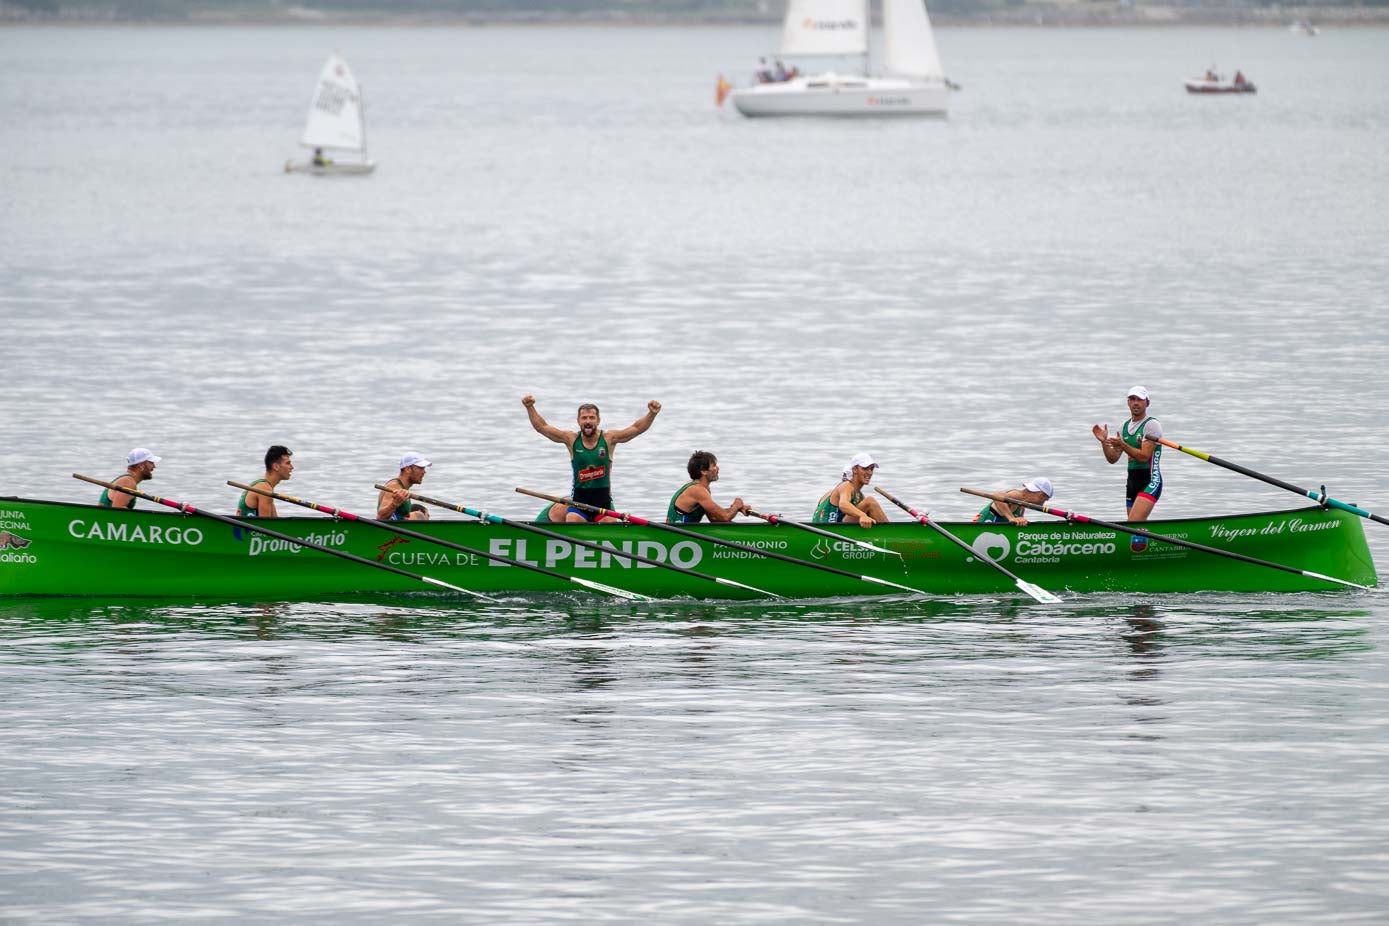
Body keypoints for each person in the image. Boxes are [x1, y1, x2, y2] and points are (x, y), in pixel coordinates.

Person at [522, 395, 661, 523]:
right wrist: (530, 407)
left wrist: (652, 414)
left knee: (610, 522)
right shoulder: (570, 439)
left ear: (598, 420)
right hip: (578, 504)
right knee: (572, 519)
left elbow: (636, 429)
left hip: (604, 504)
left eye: (591, 417)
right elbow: (542, 427)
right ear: (578, 421)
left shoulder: (609, 439)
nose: (588, 421)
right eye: (584, 418)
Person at [1093, 386, 1163, 522]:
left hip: (1150, 480)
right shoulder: (1123, 427)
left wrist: (1123, 445)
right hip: (1132, 481)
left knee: (1133, 524)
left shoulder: (1151, 425)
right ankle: (1151, 541)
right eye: (1132, 399)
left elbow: (1144, 457)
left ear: (1147, 403)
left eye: (1139, 400)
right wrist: (1103, 442)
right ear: (1128, 402)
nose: (1135, 402)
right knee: (1135, 528)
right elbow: (1113, 458)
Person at [667, 451, 749, 524]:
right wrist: (736, 505)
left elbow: (714, 518)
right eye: (714, 465)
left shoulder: (702, 488)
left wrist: (736, 509)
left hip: (685, 533)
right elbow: (725, 517)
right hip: (675, 534)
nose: (717, 468)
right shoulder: (697, 490)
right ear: (703, 471)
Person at [813, 452, 890, 528]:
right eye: (865, 468)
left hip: (836, 528)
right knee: (870, 501)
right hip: (828, 529)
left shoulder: (859, 495)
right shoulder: (846, 485)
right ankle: (890, 533)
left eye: (872, 469)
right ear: (854, 470)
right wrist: (862, 515)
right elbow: (843, 504)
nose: (870, 472)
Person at [236, 445, 293, 518]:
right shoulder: (264, 489)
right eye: (288, 463)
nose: (292, 467)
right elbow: (266, 526)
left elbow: (275, 521)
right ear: (276, 467)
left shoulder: (264, 487)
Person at [974, 478, 1054, 526]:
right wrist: (1011, 518)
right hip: (976, 531)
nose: (1042, 504)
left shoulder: (1022, 505)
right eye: (1044, 500)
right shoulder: (1017, 495)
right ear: (1040, 494)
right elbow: (996, 495)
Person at [377, 453, 431, 521]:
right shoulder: (394, 486)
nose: (424, 472)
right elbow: (380, 517)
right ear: (408, 469)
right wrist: (394, 504)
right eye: (420, 468)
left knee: (419, 515)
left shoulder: (402, 488)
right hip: (386, 530)